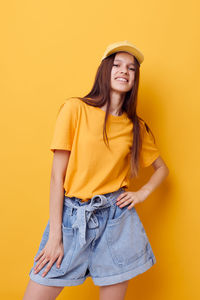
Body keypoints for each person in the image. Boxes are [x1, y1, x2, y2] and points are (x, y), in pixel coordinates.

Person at [23, 40, 169, 300]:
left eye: (131, 68)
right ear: (105, 70)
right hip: (73, 217)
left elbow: (161, 169)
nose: (124, 71)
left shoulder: (135, 127)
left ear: (135, 78)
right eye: (117, 65)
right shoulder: (75, 109)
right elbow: (57, 177)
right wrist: (55, 236)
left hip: (116, 221)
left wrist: (142, 192)